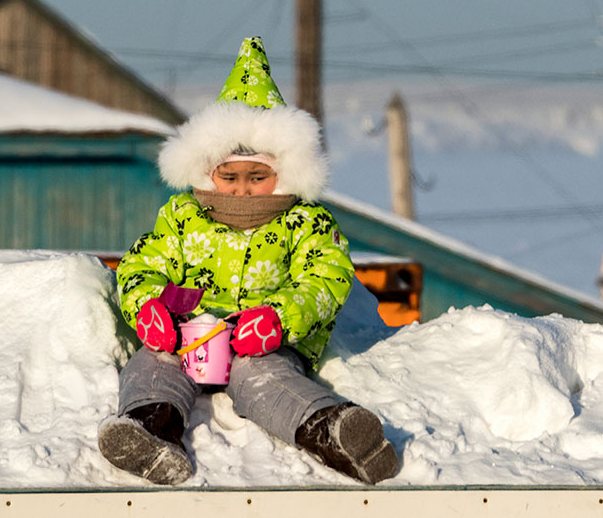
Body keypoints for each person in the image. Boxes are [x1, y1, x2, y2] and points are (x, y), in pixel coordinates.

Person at [97, 37, 398, 486]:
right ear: (206, 171)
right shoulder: (183, 217)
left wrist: (278, 320)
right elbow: (144, 265)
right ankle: (150, 430)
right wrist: (149, 309)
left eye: (257, 177)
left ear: (286, 172)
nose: (241, 189)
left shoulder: (305, 222)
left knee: (262, 380)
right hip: (187, 336)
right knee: (152, 363)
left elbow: (326, 278)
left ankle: (333, 431)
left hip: (262, 341)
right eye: (229, 176)